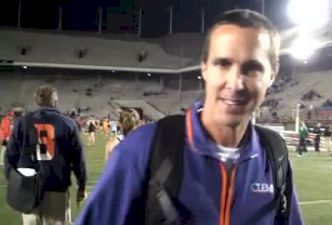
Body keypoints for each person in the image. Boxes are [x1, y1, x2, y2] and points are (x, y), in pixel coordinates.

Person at [76, 9, 304, 225]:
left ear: (272, 74)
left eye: (252, 68)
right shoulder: (145, 148)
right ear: (204, 67)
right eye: (223, 64)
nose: (236, 83)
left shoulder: (275, 157)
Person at [4, 85, 87, 225]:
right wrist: (82, 184)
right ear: (55, 102)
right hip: (56, 188)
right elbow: (79, 160)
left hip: (28, 189)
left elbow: (9, 157)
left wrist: (15, 181)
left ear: (36, 102)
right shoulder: (68, 124)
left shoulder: (21, 123)